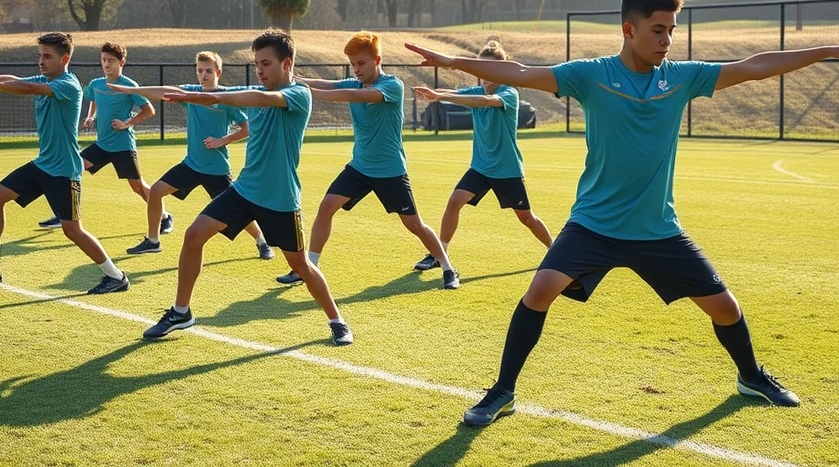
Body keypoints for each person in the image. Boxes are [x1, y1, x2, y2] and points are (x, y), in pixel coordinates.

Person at [405, 0, 839, 426]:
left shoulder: (682, 78)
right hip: (594, 225)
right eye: (658, 30)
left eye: (672, 31)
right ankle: (502, 391)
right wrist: (451, 62)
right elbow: (521, 73)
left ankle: (751, 376)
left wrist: (829, 51)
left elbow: (755, 66)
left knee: (726, 309)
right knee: (539, 292)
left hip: (658, 229)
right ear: (629, 30)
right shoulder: (591, 76)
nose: (667, 41)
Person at [140, 29, 353, 346]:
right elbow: (241, 93)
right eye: (257, 64)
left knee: (301, 266)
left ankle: (337, 321)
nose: (260, 70)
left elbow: (262, 99)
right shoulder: (255, 89)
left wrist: (208, 97)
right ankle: (181, 311)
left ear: (287, 63)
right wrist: (133, 90)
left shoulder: (298, 95)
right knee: (194, 234)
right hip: (244, 190)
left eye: (266, 63)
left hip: (280, 199)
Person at [0, 32, 130, 294]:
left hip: (65, 171)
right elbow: (13, 79)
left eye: (47, 56)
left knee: (73, 231)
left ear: (65, 58)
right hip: (43, 165)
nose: (41, 61)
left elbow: (25, 88)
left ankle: (116, 276)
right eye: (39, 56)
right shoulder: (46, 78)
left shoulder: (68, 84)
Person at [274, 31, 460, 290]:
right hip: (359, 168)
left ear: (377, 60)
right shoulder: (354, 83)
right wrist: (290, 78)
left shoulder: (393, 86)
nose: (356, 69)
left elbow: (354, 96)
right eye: (353, 64)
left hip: (390, 170)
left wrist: (304, 91)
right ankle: (308, 268)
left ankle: (448, 267)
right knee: (327, 205)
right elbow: (327, 84)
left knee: (414, 224)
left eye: (361, 63)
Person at [108, 52, 274, 260]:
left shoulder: (225, 98)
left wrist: (221, 140)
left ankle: (262, 241)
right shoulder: (191, 92)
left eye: (208, 71)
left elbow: (246, 128)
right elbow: (163, 91)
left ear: (218, 73)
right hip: (191, 165)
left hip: (216, 169)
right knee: (157, 190)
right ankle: (153, 241)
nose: (203, 75)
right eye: (199, 70)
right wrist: (131, 90)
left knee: (237, 211)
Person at [411, 40, 552, 271]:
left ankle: (554, 250)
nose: (485, 74)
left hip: (506, 170)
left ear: (502, 69)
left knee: (526, 217)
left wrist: (440, 97)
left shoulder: (509, 93)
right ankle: (439, 253)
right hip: (480, 167)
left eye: (491, 69)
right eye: (482, 68)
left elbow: (483, 101)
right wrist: (436, 93)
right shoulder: (477, 90)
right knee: (455, 201)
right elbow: (456, 92)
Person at [37, 42, 172, 234]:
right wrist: (91, 116)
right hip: (102, 145)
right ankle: (63, 214)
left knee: (138, 187)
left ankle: (165, 217)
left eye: (111, 60)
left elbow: (148, 110)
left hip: (123, 146)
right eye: (103, 60)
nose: (106, 64)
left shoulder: (128, 86)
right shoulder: (96, 84)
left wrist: (127, 123)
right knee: (71, 169)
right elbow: (93, 100)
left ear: (121, 62)